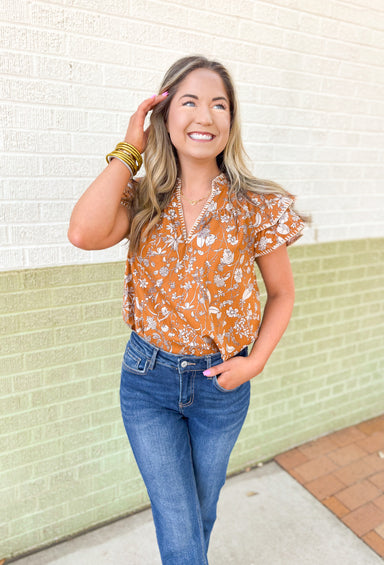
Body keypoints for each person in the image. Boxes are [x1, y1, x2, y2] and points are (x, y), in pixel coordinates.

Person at [68, 55, 305, 565]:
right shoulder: (142, 199)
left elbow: (282, 294)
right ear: (164, 116)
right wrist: (130, 148)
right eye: (190, 102)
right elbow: (83, 233)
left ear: (231, 121)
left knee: (199, 512)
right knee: (179, 529)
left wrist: (254, 362)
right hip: (147, 381)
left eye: (219, 104)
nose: (206, 115)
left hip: (221, 386)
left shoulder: (257, 204)